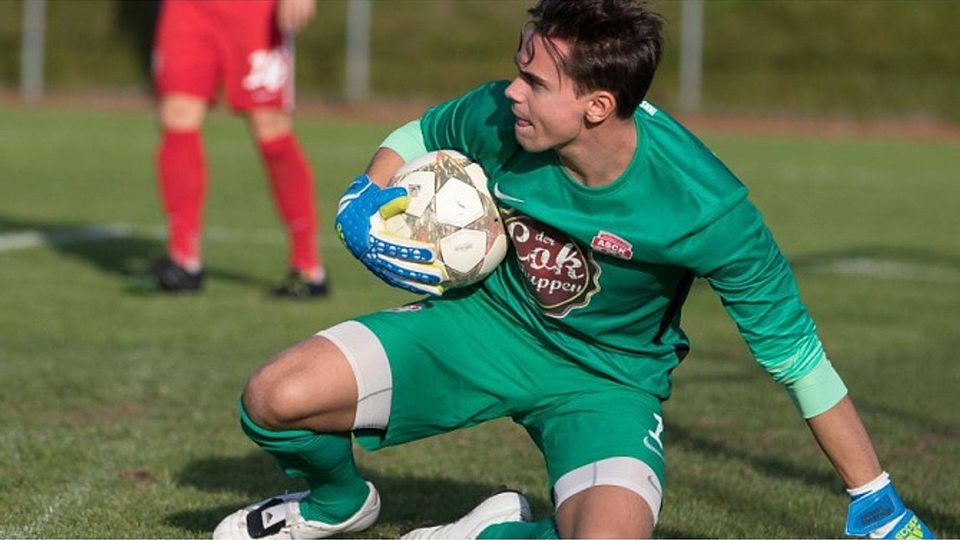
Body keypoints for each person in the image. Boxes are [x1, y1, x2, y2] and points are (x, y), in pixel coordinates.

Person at [212, 0, 936, 538]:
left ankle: (490, 533)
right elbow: (424, 130)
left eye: (534, 81)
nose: (512, 91)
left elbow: (797, 357)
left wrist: (873, 496)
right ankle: (336, 503)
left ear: (597, 106)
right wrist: (367, 192)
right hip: (483, 328)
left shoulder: (706, 207)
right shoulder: (504, 116)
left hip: (606, 380)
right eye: (518, 69)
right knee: (274, 398)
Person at [151, 0, 328, 297]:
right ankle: (183, 259)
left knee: (270, 126)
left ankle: (307, 267)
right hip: (188, 8)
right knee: (178, 113)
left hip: (256, 10)